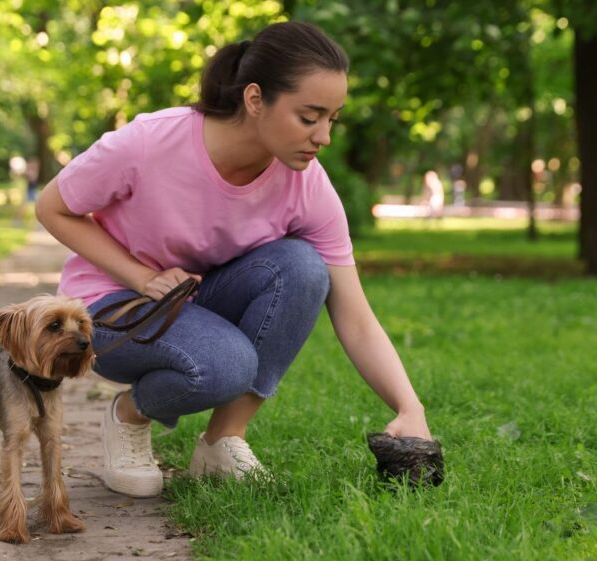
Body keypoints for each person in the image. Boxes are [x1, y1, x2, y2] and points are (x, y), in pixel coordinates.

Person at [36, 21, 433, 498]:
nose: (323, 136)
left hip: (193, 304)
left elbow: (355, 315)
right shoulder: (150, 142)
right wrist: (142, 277)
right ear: (254, 99)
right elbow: (52, 206)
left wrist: (411, 408)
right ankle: (129, 416)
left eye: (333, 119)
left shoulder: (307, 185)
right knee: (225, 365)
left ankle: (223, 438)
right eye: (309, 117)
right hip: (108, 309)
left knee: (305, 268)